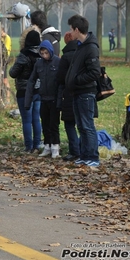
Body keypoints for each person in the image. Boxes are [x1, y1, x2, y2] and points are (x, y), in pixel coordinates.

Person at [65, 14, 101, 167]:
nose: (70, 32)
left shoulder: (91, 48)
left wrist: (76, 80)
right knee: (81, 126)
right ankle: (84, 154)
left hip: (85, 92)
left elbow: (94, 72)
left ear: (77, 30)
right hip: (77, 92)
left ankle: (93, 156)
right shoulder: (81, 46)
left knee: (87, 126)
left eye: (71, 29)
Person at [25, 40, 61, 158]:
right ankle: (47, 145)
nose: (45, 55)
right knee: (44, 123)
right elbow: (32, 80)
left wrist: (60, 99)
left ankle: (55, 147)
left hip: (54, 98)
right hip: (43, 98)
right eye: (42, 53)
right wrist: (28, 100)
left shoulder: (57, 62)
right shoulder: (39, 64)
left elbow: (61, 82)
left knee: (53, 124)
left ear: (50, 51)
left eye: (46, 53)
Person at [9, 29, 41, 153]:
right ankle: (37, 145)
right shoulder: (42, 54)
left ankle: (28, 147)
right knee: (36, 119)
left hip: (24, 91)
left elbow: (12, 73)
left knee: (26, 120)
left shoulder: (24, 56)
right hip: (38, 90)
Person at [56, 32, 80, 161]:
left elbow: (60, 78)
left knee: (69, 124)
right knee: (83, 124)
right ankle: (85, 149)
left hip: (69, 93)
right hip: (83, 92)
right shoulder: (83, 52)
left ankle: (74, 151)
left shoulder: (66, 57)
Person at [0, 25, 12, 104]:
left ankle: (8, 98)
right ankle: (0, 97)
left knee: (4, 80)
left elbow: (5, 49)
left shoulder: (6, 38)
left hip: (4, 60)